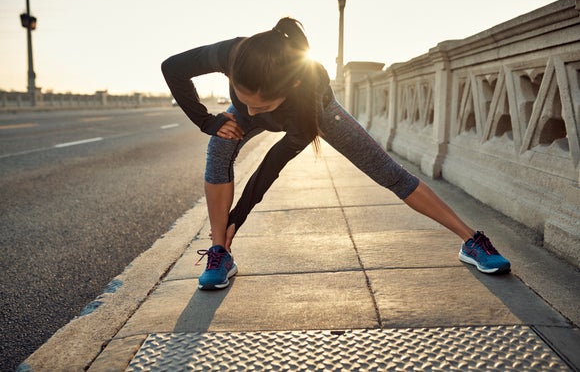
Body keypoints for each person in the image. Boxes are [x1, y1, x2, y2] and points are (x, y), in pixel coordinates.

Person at [161, 17, 511, 290]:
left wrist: (240, 213)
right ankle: (220, 252)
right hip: (275, 101)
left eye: (262, 104)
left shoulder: (308, 96)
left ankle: (472, 241)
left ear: (290, 88)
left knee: (389, 173)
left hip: (321, 112)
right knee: (221, 143)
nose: (252, 114)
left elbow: (272, 164)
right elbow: (172, 67)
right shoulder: (234, 54)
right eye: (243, 99)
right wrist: (207, 121)